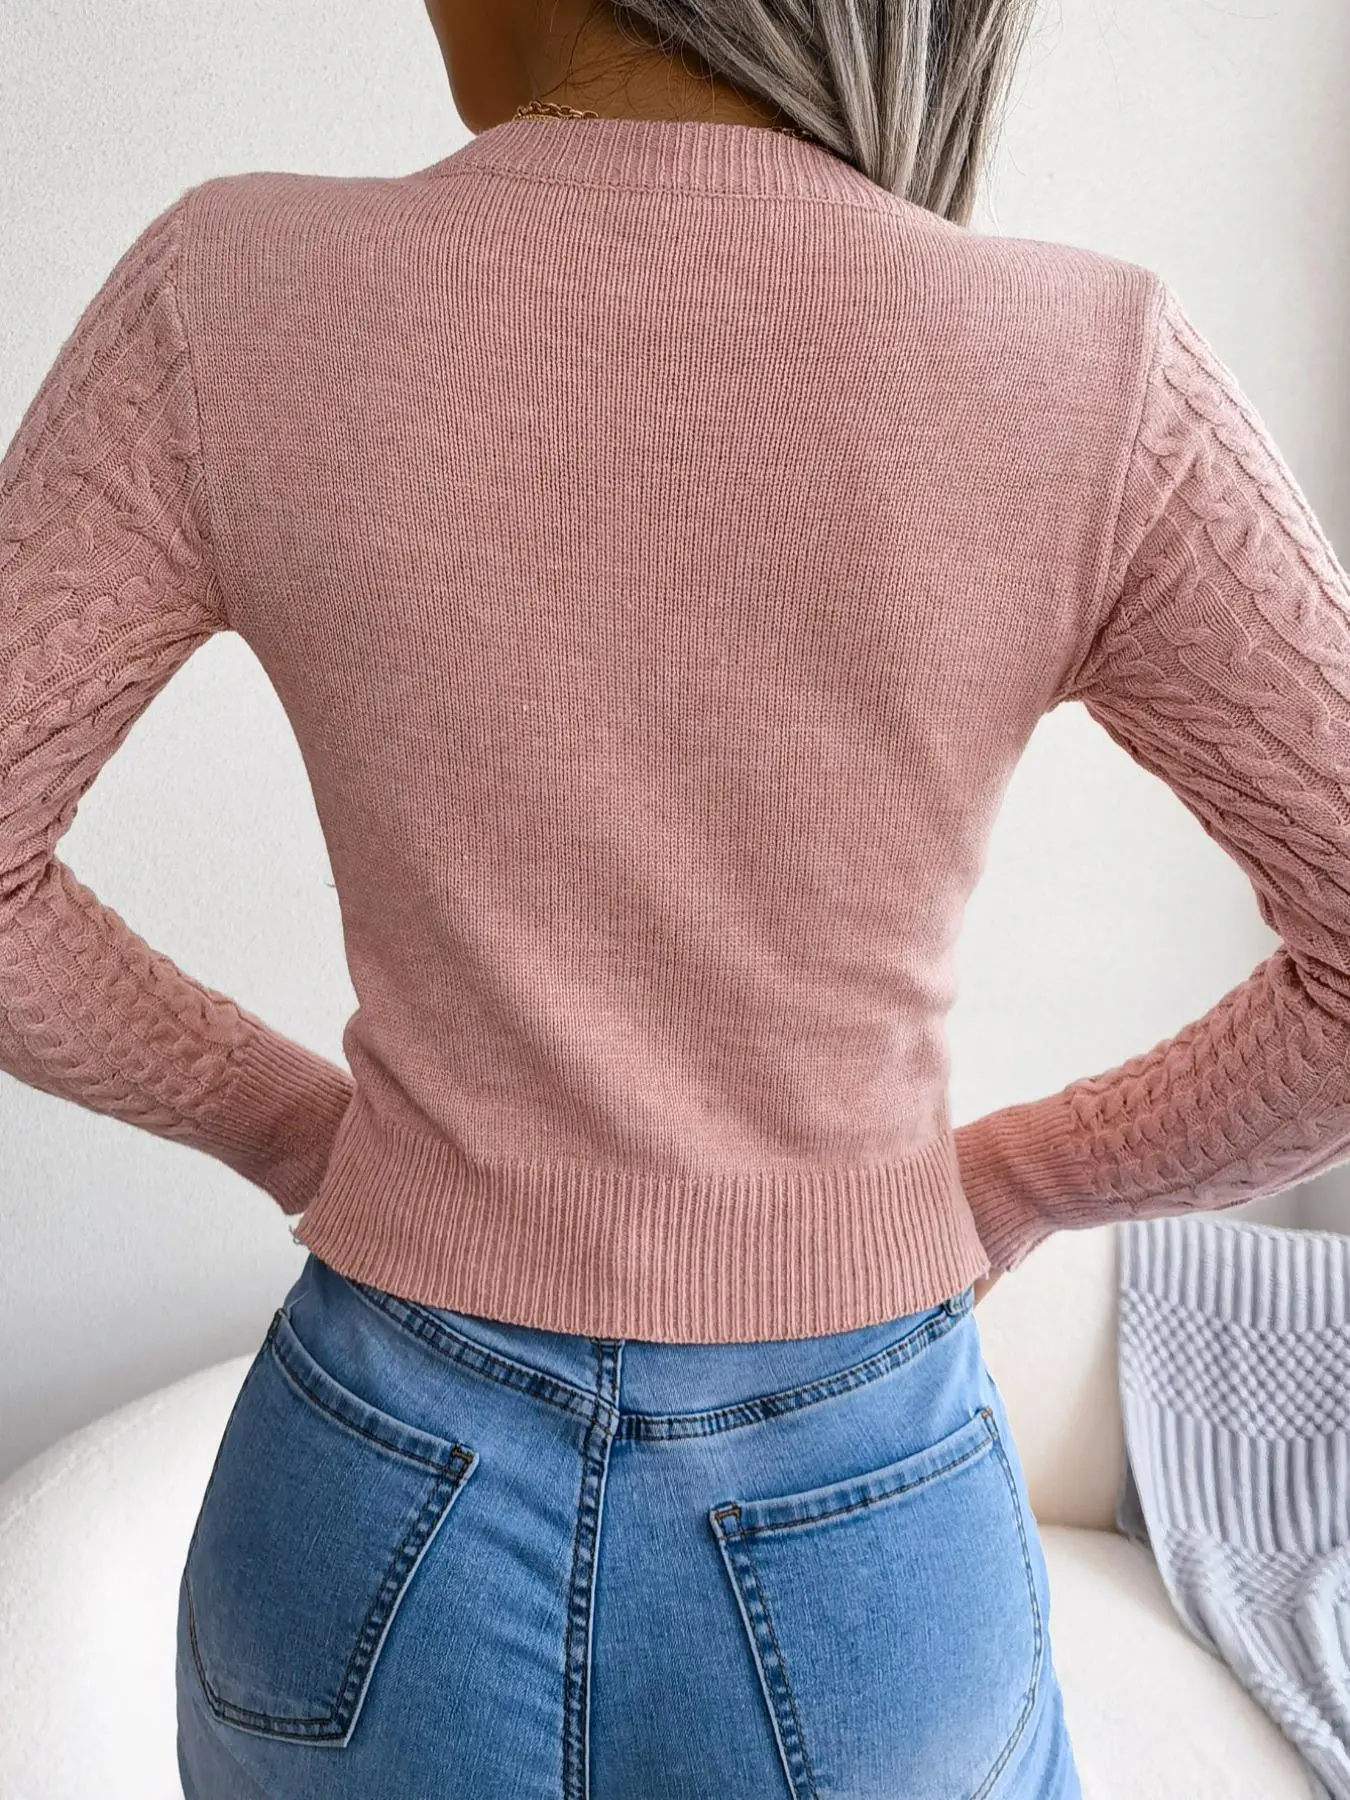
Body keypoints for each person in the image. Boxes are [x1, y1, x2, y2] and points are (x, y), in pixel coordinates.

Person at [4, 2, 1347, 1796]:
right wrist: (1011, 1186)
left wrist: (300, 1135)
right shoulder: (1086, 359)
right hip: (861, 1517)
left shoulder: (234, 290)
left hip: (369, 1493)